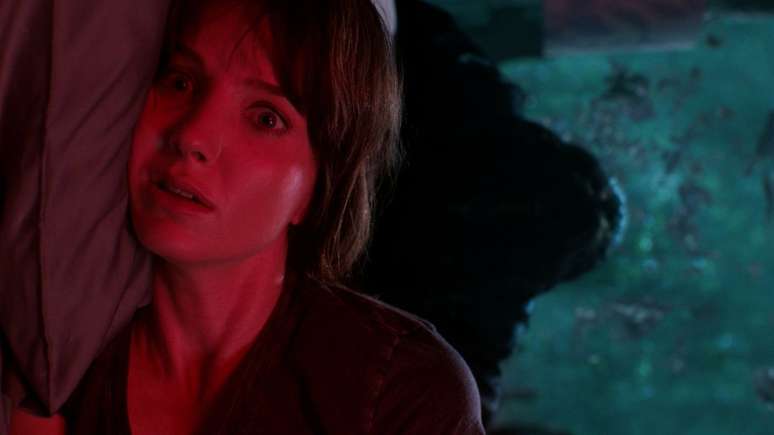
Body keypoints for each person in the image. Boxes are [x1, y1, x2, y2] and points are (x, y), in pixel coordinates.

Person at [7, 0, 485, 433]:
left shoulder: (400, 393)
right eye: (181, 82)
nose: (192, 136)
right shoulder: (57, 354)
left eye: (265, 118)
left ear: (317, 190)